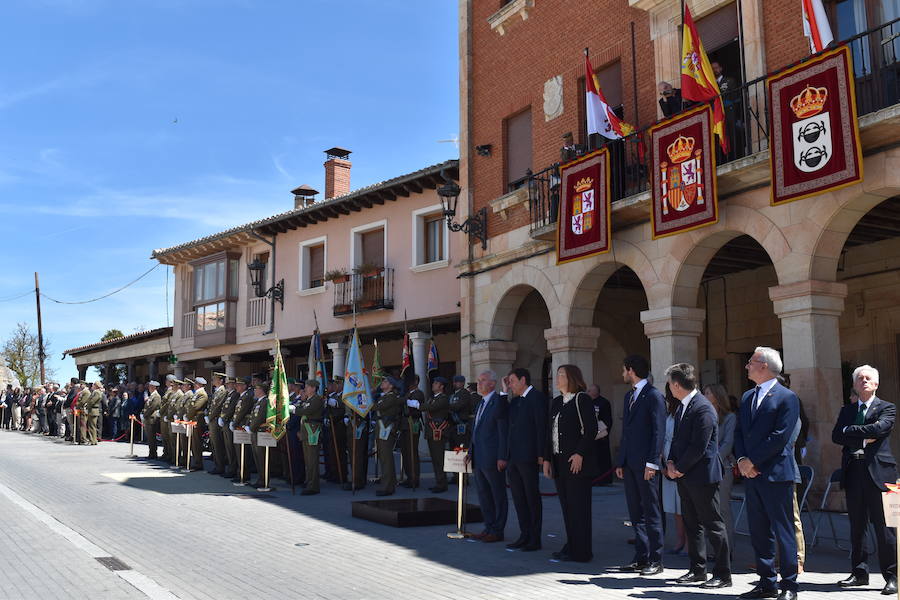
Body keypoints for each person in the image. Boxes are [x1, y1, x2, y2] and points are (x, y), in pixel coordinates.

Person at [735, 346, 800, 600]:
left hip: (775, 473)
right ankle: (766, 581)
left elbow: (780, 436)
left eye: (750, 361)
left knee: (782, 530)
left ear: (764, 365)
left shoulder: (787, 397)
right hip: (751, 474)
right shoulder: (747, 397)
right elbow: (740, 432)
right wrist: (742, 460)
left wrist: (753, 461)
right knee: (759, 529)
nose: (747, 366)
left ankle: (789, 585)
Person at [833, 364, 898, 595]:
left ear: (877, 384)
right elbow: (836, 435)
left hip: (880, 474)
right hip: (854, 472)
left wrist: (852, 432)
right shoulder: (847, 410)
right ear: (854, 385)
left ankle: (893, 576)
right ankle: (859, 573)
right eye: (860, 379)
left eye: (869, 378)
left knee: (884, 528)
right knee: (857, 526)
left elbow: (881, 429)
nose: (864, 382)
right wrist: (863, 437)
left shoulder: (887, 408)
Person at [665, 363, 731, 588]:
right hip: (685, 475)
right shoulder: (683, 406)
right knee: (692, 524)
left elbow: (699, 446)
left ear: (676, 384)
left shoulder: (702, 407)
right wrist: (671, 461)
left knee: (713, 524)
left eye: (670, 384)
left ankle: (723, 574)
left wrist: (679, 468)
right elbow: (677, 439)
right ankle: (697, 569)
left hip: (702, 476)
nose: (669, 389)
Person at [615, 355, 666, 575]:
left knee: (651, 511)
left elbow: (658, 432)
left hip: (646, 465)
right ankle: (641, 556)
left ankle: (656, 559)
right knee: (636, 512)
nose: (622, 374)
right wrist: (621, 460)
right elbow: (626, 432)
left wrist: (653, 463)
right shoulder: (629, 396)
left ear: (631, 370)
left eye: (624, 370)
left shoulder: (653, 396)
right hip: (630, 464)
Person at [544, 364, 597, 562]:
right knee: (567, 506)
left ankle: (582, 550)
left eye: (561, 375)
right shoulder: (557, 402)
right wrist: (547, 459)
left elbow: (590, 429)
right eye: (556, 375)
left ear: (572, 378)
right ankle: (571, 544)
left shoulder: (582, 399)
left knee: (579, 507)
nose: (556, 378)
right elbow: (549, 433)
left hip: (576, 463)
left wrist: (580, 453)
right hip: (559, 461)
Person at [505, 367, 547, 552]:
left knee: (531, 498)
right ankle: (524, 534)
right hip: (514, 457)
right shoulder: (515, 401)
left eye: (512, 381)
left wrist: (541, 454)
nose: (510, 384)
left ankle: (534, 538)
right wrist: (503, 392)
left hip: (529, 456)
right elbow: (502, 415)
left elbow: (541, 427)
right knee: (518, 497)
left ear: (523, 380)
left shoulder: (536, 398)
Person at [469, 370, 509, 543]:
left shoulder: (497, 401)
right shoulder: (481, 403)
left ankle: (497, 530)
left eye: (483, 380)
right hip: (479, 457)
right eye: (478, 381)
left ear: (492, 384)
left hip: (493, 458)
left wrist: (502, 456)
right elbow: (476, 431)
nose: (479, 384)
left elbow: (502, 432)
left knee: (497, 495)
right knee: (484, 495)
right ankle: (489, 526)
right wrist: (470, 452)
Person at [703, 383, 738, 549]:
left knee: (722, 508)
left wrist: (713, 458)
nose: (704, 395)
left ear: (717, 396)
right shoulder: (703, 414)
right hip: (704, 468)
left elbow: (728, 443)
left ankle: (727, 549)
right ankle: (711, 548)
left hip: (722, 467)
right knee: (707, 510)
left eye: (707, 393)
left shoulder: (730, 417)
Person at [661, 383, 687, 555]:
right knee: (676, 508)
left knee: (686, 507)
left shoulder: (685, 410)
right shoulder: (669, 413)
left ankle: (689, 544)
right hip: (667, 460)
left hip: (681, 463)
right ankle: (680, 541)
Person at [373, 376, 403, 496]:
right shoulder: (384, 396)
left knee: (386, 459)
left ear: (391, 386)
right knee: (384, 458)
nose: (382, 383)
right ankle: (390, 482)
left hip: (386, 429)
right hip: (381, 428)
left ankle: (388, 487)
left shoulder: (391, 397)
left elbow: (376, 407)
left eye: (385, 381)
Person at [423, 376, 452, 493]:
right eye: (434, 383)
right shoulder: (433, 398)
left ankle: (442, 483)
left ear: (442, 386)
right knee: (435, 458)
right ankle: (439, 481)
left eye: (436, 383)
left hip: (438, 431)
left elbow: (431, 407)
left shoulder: (443, 398)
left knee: (439, 458)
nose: (433, 385)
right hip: (432, 431)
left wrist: (417, 405)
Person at [297, 379, 325, 495]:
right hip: (306, 431)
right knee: (308, 459)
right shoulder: (308, 399)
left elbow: (306, 411)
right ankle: (309, 481)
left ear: (314, 388)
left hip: (313, 431)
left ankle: (313, 486)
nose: (305, 389)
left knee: (312, 459)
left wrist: (294, 410)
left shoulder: (317, 399)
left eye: (308, 387)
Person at [399, 374, 423, 488]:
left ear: (416, 381)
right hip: (404, 425)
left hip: (412, 424)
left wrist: (403, 400)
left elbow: (414, 408)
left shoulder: (418, 393)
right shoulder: (407, 393)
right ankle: (409, 477)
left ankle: (414, 478)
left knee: (412, 452)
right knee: (405, 452)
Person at [587, 384, 613, 485]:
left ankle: (604, 479)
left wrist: (602, 433)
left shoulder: (604, 402)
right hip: (590, 436)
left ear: (596, 392)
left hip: (601, 436)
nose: (588, 392)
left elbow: (607, 421)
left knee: (602, 458)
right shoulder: (587, 402)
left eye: (590, 391)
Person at [230, 377, 255, 484]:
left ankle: (244, 475)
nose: (236, 386)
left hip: (242, 425)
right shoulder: (242, 396)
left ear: (245, 386)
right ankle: (240, 473)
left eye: (239, 385)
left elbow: (242, 412)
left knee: (243, 452)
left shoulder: (247, 396)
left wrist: (235, 422)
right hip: (238, 425)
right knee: (238, 451)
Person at [324, 376, 347, 484]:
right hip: (332, 426)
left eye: (337, 384)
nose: (335, 386)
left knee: (340, 451)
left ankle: (342, 474)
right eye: (335, 384)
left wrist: (330, 401)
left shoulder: (344, 396)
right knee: (332, 451)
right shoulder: (334, 396)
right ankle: (334, 473)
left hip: (340, 426)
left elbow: (341, 407)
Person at [206, 373, 228, 475]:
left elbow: (218, 407)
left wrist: (210, 417)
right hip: (212, 420)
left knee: (218, 445)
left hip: (215, 420)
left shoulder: (223, 391)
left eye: (215, 379)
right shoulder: (216, 391)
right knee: (214, 444)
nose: (213, 381)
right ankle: (217, 465)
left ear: (221, 381)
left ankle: (220, 466)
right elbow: (211, 405)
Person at [142, 380, 162, 459]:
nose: (149, 388)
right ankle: (151, 452)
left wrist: (145, 414)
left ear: (154, 387)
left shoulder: (156, 396)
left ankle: (153, 453)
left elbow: (153, 407)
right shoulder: (151, 395)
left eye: (150, 386)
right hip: (148, 418)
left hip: (152, 418)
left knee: (152, 437)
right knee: (149, 437)